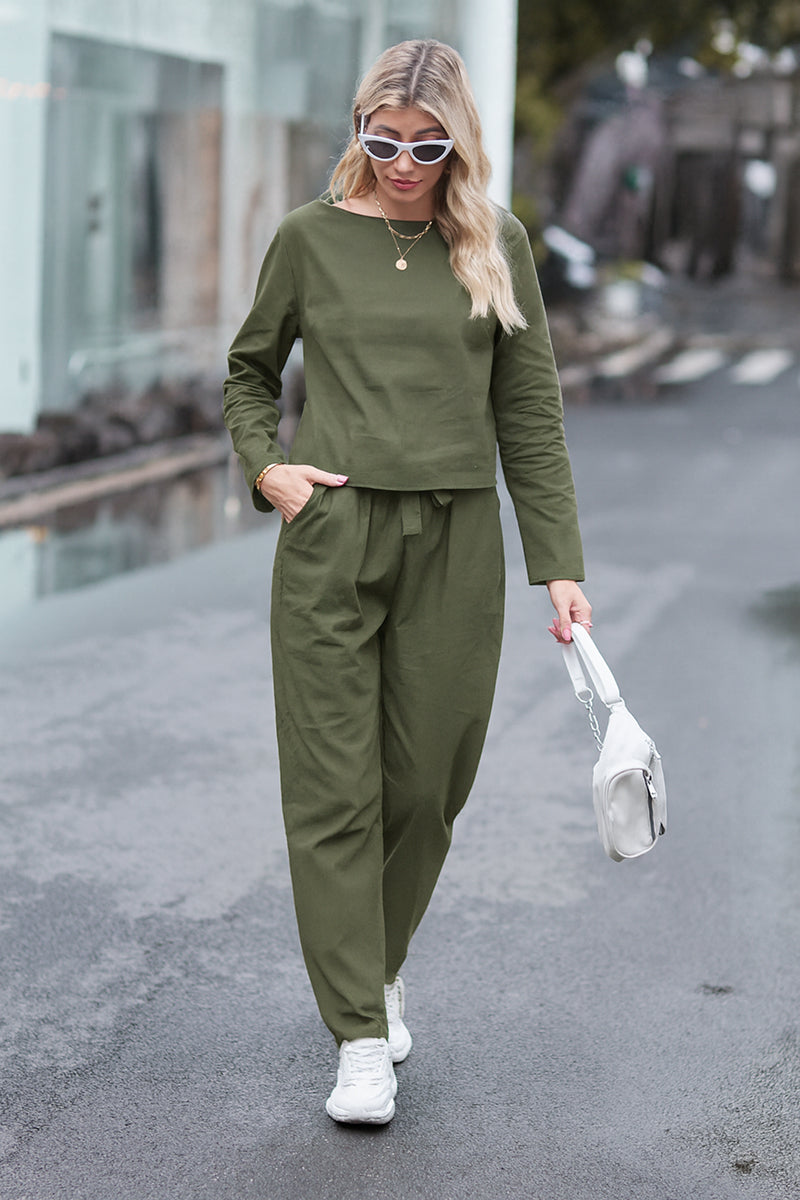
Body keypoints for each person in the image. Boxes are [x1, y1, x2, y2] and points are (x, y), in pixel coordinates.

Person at [223, 38, 591, 1125]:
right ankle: (357, 1033)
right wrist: (267, 468)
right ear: (357, 131)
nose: (399, 162)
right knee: (332, 792)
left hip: (454, 539)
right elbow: (250, 371)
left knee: (428, 784)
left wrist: (556, 563)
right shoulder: (306, 240)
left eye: (424, 146)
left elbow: (528, 413)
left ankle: (373, 963)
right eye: (379, 141)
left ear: (455, 142)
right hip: (332, 533)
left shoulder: (494, 244)